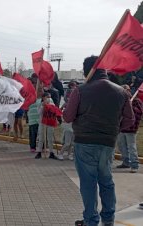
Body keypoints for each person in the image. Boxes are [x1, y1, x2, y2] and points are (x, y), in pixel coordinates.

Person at [63, 56, 134, 226]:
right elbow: (129, 119)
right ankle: (108, 219)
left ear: (89, 70)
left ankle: (91, 220)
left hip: (85, 142)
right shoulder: (121, 92)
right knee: (106, 181)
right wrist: (115, 129)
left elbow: (68, 116)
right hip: (108, 142)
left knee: (88, 184)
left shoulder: (80, 90)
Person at [116, 85, 143, 173]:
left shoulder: (136, 101)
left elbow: (138, 113)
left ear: (129, 90)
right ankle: (126, 162)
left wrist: (129, 106)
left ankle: (134, 164)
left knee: (131, 147)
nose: (124, 92)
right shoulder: (120, 101)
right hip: (121, 128)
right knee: (122, 146)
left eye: (125, 90)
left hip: (131, 129)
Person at [35, 92, 62, 159]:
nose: (49, 99)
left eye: (50, 97)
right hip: (43, 123)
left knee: (50, 138)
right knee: (41, 138)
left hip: (50, 123)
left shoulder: (52, 104)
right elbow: (39, 113)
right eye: (47, 97)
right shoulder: (41, 104)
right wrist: (43, 106)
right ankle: (39, 152)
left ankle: (51, 152)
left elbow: (55, 112)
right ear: (44, 98)